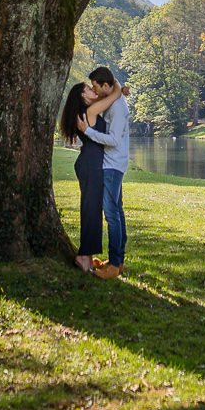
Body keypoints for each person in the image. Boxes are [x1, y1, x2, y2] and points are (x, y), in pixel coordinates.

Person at [60, 74, 121, 272]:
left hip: (92, 163)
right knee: (91, 210)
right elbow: (114, 95)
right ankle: (83, 257)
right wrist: (114, 82)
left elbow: (108, 96)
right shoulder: (91, 110)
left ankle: (88, 255)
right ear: (83, 98)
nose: (93, 90)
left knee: (93, 210)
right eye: (88, 89)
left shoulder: (89, 109)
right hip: (90, 164)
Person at [78, 65, 129, 279]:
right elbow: (114, 86)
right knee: (117, 212)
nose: (94, 90)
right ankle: (118, 260)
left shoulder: (116, 108)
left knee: (112, 214)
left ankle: (115, 265)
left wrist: (88, 131)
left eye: (96, 87)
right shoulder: (114, 100)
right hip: (113, 164)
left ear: (106, 85)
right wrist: (119, 88)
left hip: (112, 165)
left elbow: (113, 140)